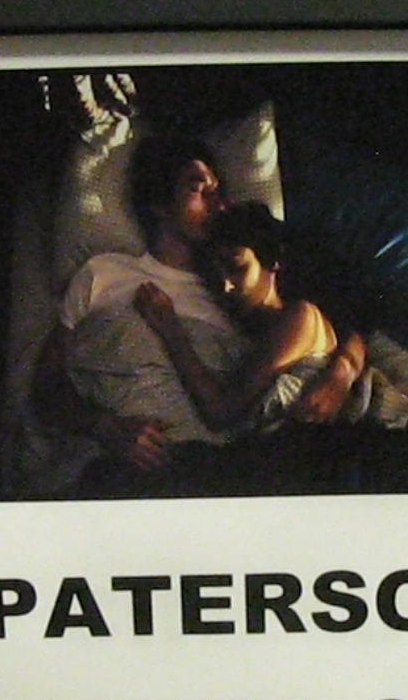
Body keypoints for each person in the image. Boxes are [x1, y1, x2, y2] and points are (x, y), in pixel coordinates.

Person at [27, 133, 245, 474]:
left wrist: (338, 368)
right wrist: (106, 427)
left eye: (219, 192)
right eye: (197, 188)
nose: (217, 204)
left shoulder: (237, 291)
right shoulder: (103, 273)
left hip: (214, 467)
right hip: (118, 470)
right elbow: (45, 387)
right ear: (159, 203)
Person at [131, 201, 368, 435]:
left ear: (271, 263)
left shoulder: (301, 318)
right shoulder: (250, 334)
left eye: (237, 267)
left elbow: (220, 411)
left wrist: (171, 330)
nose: (225, 285)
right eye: (216, 274)